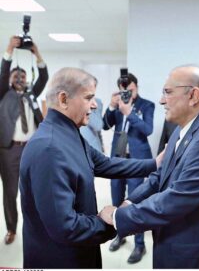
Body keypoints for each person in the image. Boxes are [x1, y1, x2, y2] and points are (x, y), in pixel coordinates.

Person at [99, 65, 199, 269]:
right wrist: (130, 202)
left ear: (193, 95)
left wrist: (117, 217)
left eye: (168, 92)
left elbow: (177, 199)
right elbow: (159, 177)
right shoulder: (181, 129)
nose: (161, 100)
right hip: (177, 244)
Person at [19, 67, 162, 269]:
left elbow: (105, 163)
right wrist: (112, 221)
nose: (95, 105)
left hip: (81, 252)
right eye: (89, 98)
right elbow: (66, 228)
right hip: (61, 260)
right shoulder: (49, 148)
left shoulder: (69, 133)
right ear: (63, 99)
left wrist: (155, 164)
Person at [0, 36, 48, 245]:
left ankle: (38, 226)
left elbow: (44, 77)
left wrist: (36, 54)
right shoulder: (3, 94)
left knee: (35, 189)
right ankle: (11, 228)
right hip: (9, 150)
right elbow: (2, 74)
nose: (20, 78)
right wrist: (10, 49)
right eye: (16, 76)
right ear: (10, 80)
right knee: (10, 192)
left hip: (32, 150)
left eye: (23, 76)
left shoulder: (31, 95)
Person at [103, 72, 155, 264]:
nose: (127, 93)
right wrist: (111, 106)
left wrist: (129, 113)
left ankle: (140, 244)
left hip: (136, 162)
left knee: (134, 203)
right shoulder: (117, 105)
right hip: (117, 161)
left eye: (131, 90)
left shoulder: (147, 105)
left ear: (137, 87)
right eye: (124, 90)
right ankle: (120, 234)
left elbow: (147, 129)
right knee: (116, 199)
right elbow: (104, 125)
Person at [80, 77, 104, 152]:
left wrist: (102, 146)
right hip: (78, 147)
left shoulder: (97, 102)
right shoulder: (75, 102)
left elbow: (98, 126)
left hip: (93, 147)